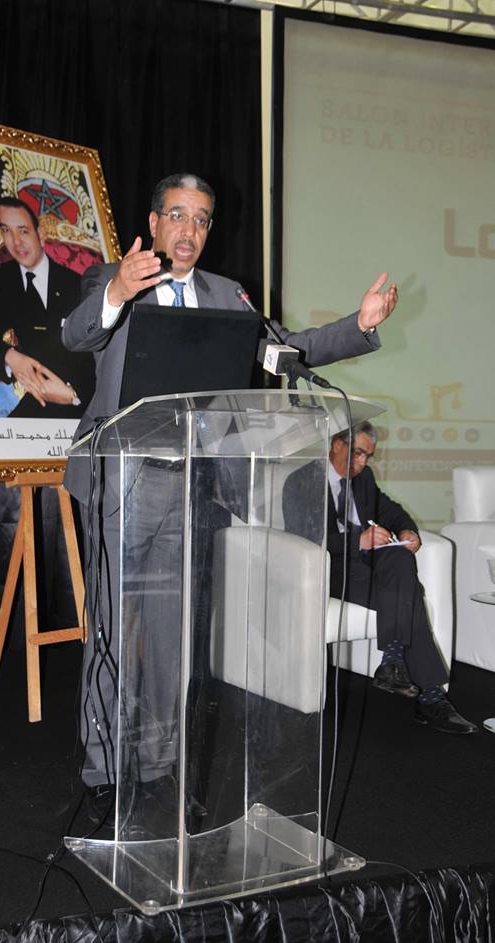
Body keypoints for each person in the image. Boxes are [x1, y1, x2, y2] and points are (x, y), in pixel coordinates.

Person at [60, 172, 401, 825]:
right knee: (112, 626)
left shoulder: (228, 295)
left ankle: (157, 764)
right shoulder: (112, 278)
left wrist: (357, 326)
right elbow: (78, 335)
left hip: (190, 477)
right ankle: (105, 771)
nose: (188, 230)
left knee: (170, 634)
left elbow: (288, 350)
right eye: (177, 215)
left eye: (201, 219)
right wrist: (118, 291)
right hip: (121, 473)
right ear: (154, 223)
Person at [283, 422, 477, 734]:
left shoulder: (364, 479)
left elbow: (392, 510)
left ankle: (392, 661)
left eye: (368, 457)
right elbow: (302, 537)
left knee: (400, 557)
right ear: (336, 444)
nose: (362, 463)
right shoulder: (300, 480)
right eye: (358, 453)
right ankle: (430, 698)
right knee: (409, 594)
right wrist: (358, 540)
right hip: (328, 568)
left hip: (368, 566)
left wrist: (407, 530)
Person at [0, 197, 94, 418]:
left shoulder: (74, 283)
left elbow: (98, 354)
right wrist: (10, 357)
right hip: (38, 401)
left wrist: (73, 395)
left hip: (84, 399)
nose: (16, 242)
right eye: (7, 231)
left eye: (23, 231)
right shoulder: (1, 280)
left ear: (40, 234)